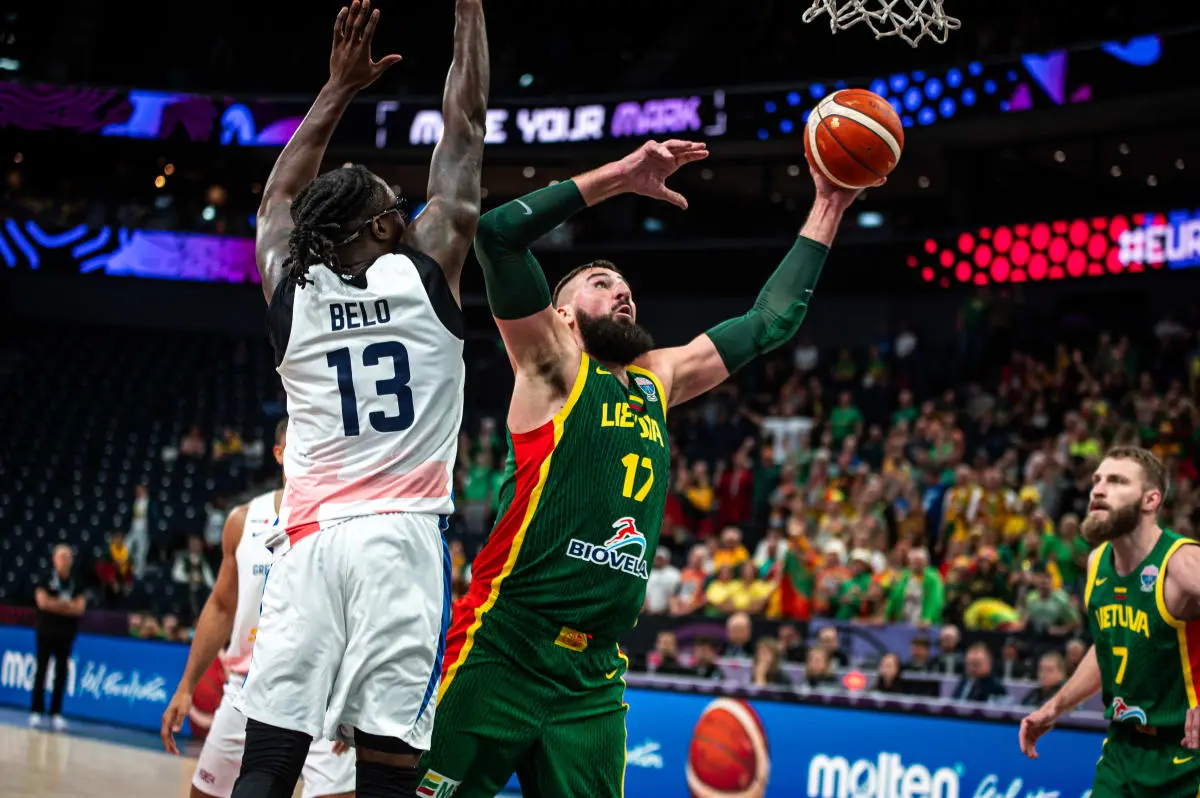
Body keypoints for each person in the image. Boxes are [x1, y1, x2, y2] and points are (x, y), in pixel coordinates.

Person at [419, 143, 866, 796]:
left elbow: (769, 322)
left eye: (624, 285)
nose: (621, 291)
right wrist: (621, 177)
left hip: (594, 673)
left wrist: (829, 204)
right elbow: (497, 235)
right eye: (601, 284)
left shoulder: (660, 377)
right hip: (505, 644)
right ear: (562, 317)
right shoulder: (552, 365)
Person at [232, 2, 488, 797]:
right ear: (381, 228)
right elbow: (465, 128)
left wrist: (337, 87)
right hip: (399, 542)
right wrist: (469, 12)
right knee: (386, 767)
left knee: (268, 761)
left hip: (308, 543)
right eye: (396, 207)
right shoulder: (427, 270)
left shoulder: (292, 290)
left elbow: (275, 204)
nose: (411, 213)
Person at [161, 420, 355, 798]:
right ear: (279, 453)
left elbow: (358, 615)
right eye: (298, 441)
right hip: (246, 689)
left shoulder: (343, 521)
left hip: (322, 692)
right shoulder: (243, 519)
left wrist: (354, 698)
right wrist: (186, 686)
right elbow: (221, 606)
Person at [1021, 447, 1200, 796]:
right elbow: (1110, 647)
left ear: (1150, 500)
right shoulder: (1097, 562)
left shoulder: (1182, 562)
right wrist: (1054, 707)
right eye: (1097, 480)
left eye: (1116, 481)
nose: (1098, 490)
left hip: (1186, 755)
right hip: (1121, 748)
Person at [29, 544, 85, 730]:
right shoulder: (44, 578)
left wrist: (56, 604)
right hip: (45, 631)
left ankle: (56, 713)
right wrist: (66, 605)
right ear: (54, 560)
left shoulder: (76, 582)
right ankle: (36, 711)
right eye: (61, 557)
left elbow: (79, 608)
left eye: (68, 557)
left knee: (61, 673)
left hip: (66, 633)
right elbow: (43, 603)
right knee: (41, 670)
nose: (64, 561)